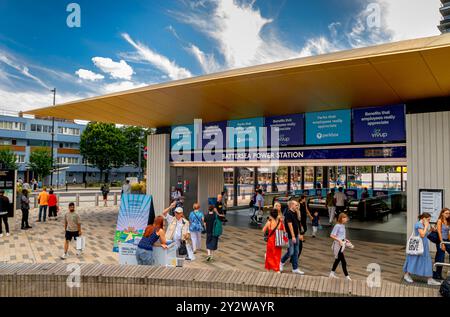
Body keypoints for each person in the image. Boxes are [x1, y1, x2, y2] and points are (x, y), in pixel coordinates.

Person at [403, 213, 442, 286]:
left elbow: (425, 234)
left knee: (426, 261)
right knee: (414, 260)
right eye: (428, 219)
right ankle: (406, 275)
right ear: (423, 218)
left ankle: (429, 279)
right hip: (418, 246)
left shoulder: (423, 225)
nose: (429, 221)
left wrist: (430, 230)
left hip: (423, 246)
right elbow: (422, 235)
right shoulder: (418, 224)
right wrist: (426, 226)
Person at [280, 200, 305, 275]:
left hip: (296, 235)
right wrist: (293, 236)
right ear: (291, 205)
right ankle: (281, 262)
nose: (297, 206)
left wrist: (299, 234)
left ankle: (295, 268)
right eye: (296, 205)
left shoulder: (295, 213)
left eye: (297, 205)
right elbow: (290, 225)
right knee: (291, 252)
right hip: (291, 236)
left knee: (296, 252)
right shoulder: (288, 213)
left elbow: (297, 224)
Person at [329, 213, 353, 280]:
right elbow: (332, 235)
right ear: (341, 218)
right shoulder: (337, 226)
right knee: (343, 261)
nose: (346, 219)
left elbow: (342, 236)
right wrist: (339, 240)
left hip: (342, 245)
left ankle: (331, 273)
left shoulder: (343, 225)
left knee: (337, 260)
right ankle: (347, 276)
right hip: (337, 245)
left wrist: (346, 240)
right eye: (344, 218)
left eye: (346, 218)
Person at [263, 209, 285, 273]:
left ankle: (268, 267)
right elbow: (284, 230)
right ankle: (276, 269)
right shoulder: (280, 222)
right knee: (277, 255)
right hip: (278, 240)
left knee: (269, 254)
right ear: (277, 215)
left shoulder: (269, 222)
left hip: (270, 240)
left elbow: (263, 230)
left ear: (271, 215)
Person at [432, 208, 450, 280]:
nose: (448, 215)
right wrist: (442, 243)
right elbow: (439, 232)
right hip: (441, 241)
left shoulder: (449, 221)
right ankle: (438, 274)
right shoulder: (440, 221)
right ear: (442, 213)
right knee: (441, 257)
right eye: (446, 213)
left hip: (447, 240)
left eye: (449, 213)